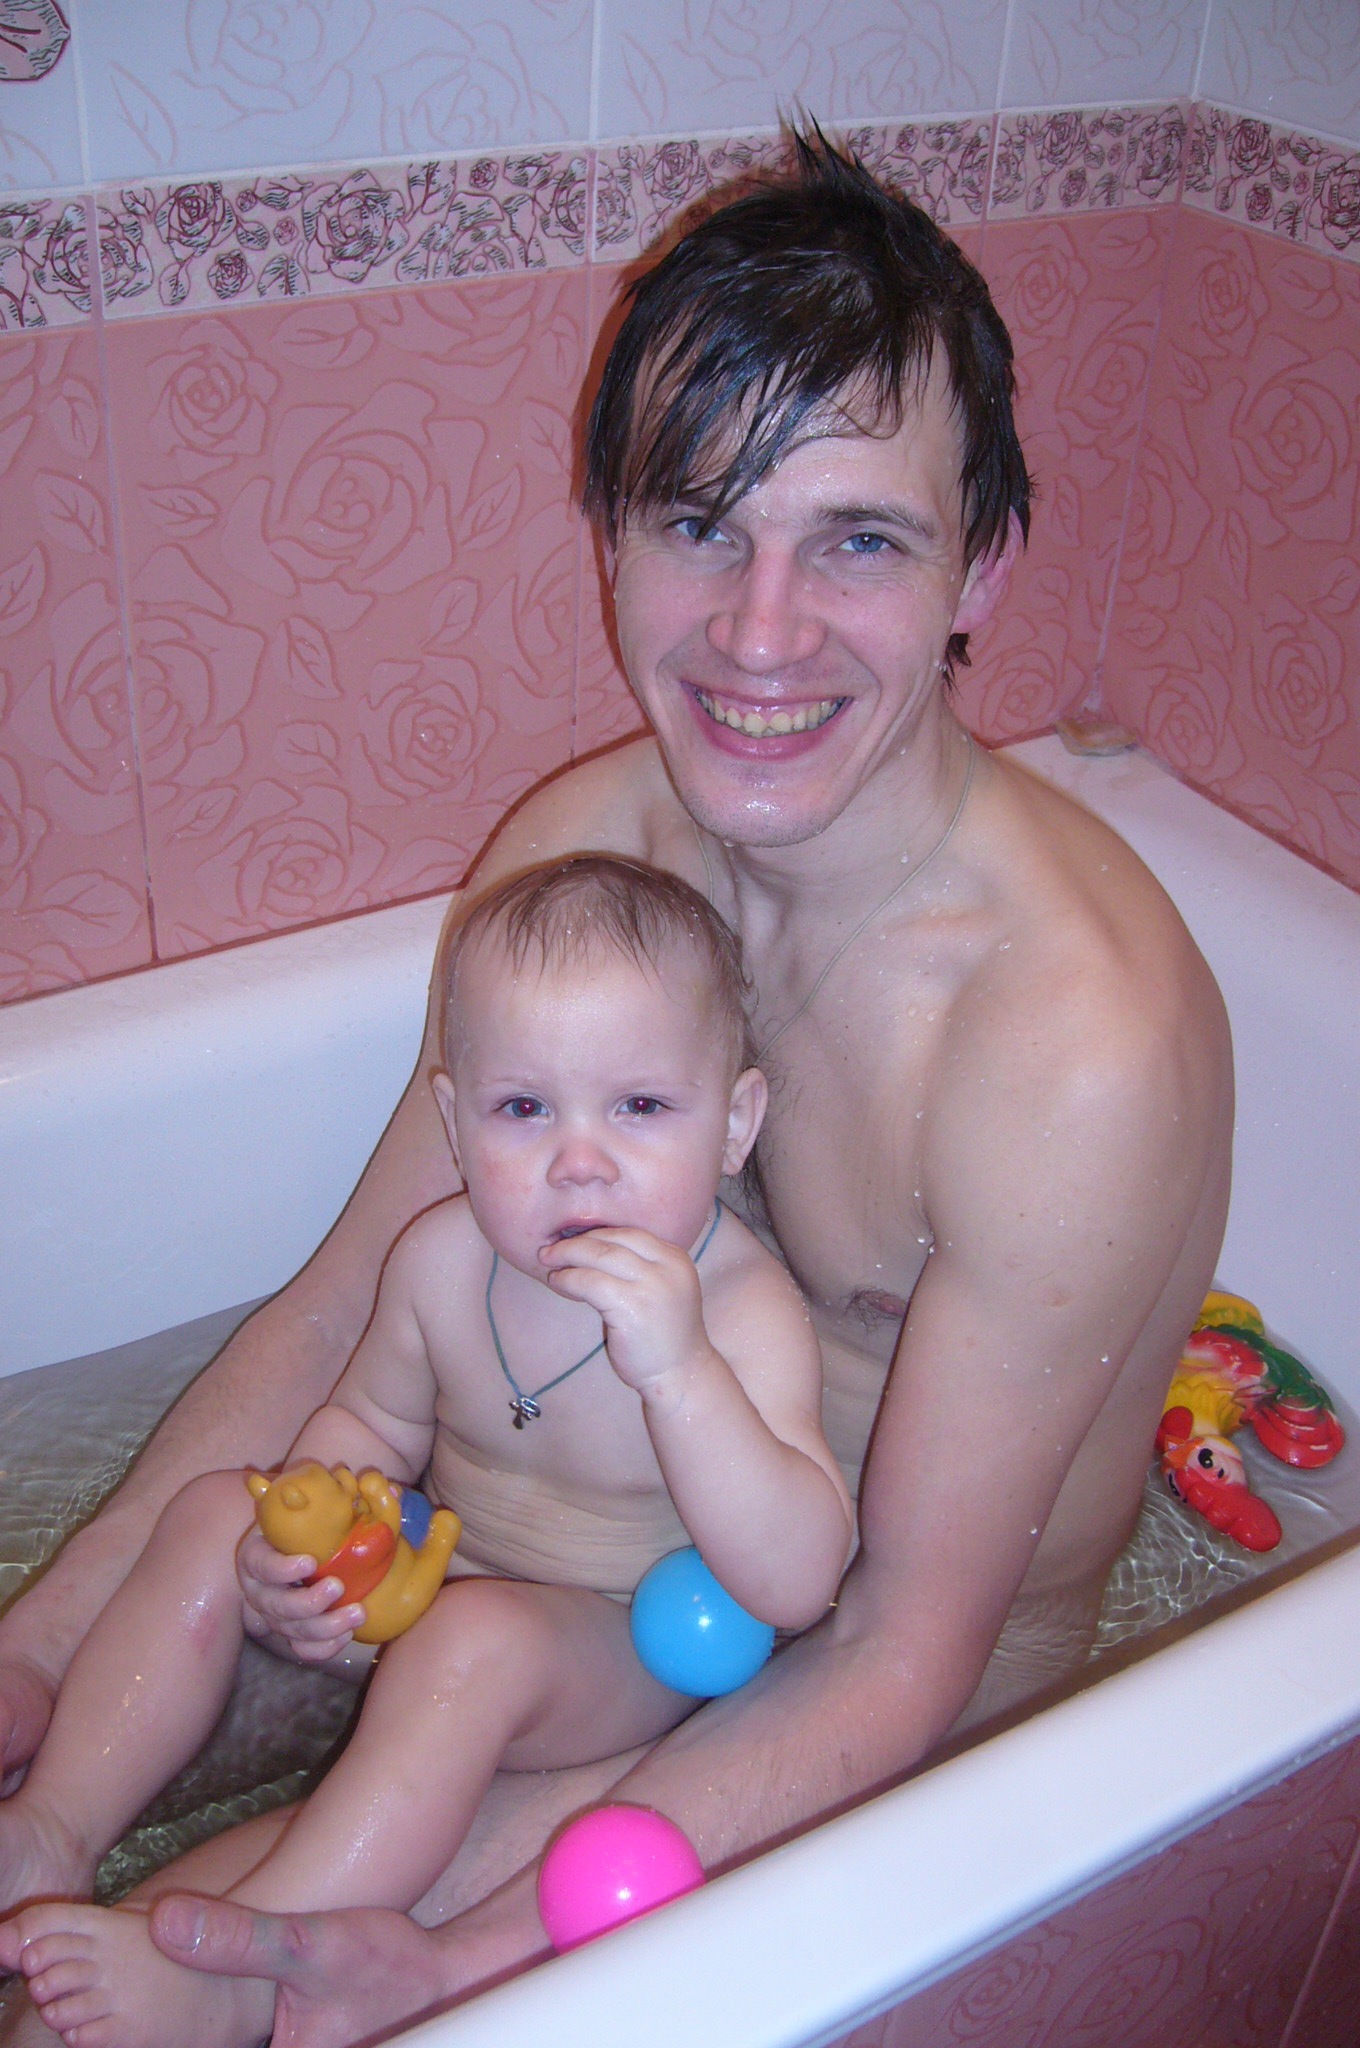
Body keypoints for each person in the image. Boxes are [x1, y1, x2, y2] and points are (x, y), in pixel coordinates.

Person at [0, 132, 1232, 2047]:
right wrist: (33, 1662)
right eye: (697, 522)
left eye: (859, 539)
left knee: (122, 2012)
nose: (760, 630)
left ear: (981, 561)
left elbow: (899, 1642)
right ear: (610, 532)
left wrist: (471, 1954)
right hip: (530, 1560)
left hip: (806, 1700)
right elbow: (341, 1311)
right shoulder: (585, 857)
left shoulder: (1066, 1043)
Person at [0, 858, 852, 2048]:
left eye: (641, 1106)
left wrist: (681, 1374)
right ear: (454, 1124)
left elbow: (801, 1574)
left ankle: (248, 1953)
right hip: (438, 1581)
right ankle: (53, 1825)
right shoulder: (440, 1261)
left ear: (734, 1125)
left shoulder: (740, 1311)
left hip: (614, 1649)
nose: (579, 1158)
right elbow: (367, 1425)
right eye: (525, 1109)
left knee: (473, 1641)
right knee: (211, 1511)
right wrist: (293, 1549)